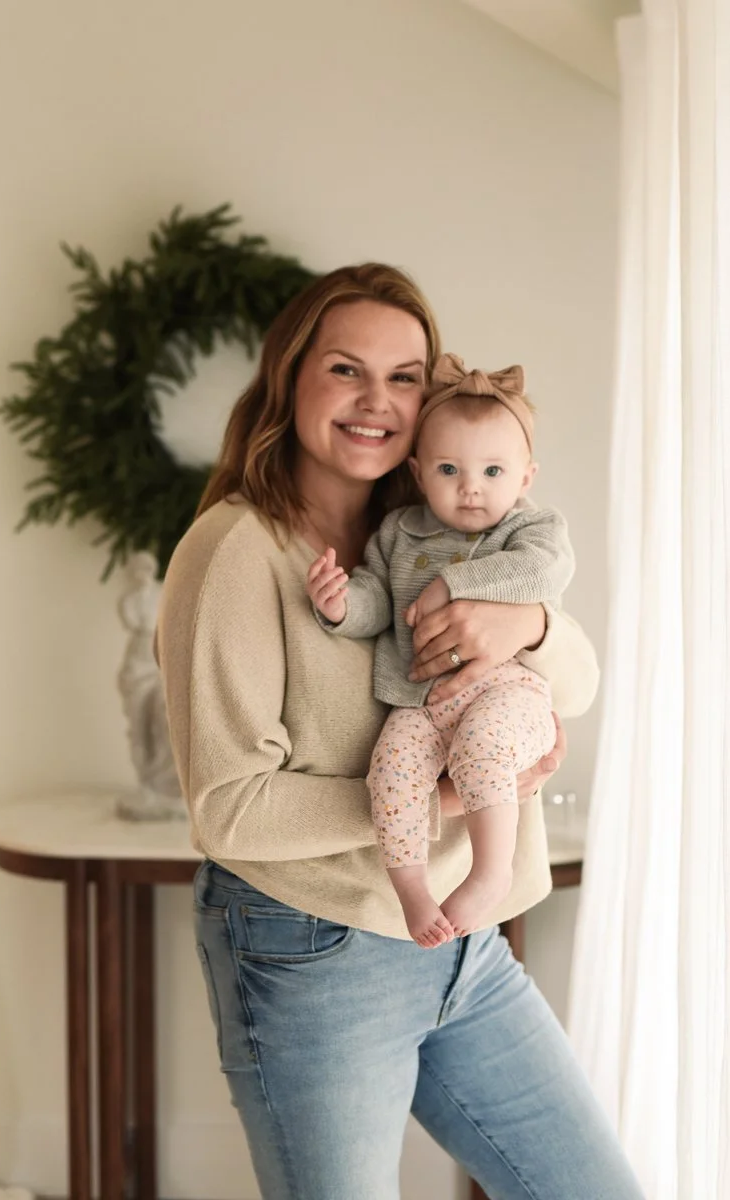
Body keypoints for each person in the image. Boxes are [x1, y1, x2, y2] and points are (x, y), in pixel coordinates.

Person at [157, 264, 644, 1199]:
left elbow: (577, 684)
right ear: (289, 379)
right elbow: (229, 809)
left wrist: (528, 624)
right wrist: (437, 799)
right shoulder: (237, 554)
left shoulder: (438, 527)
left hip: (462, 940)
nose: (377, 401)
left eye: (405, 375)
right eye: (345, 370)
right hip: (315, 948)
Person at [306, 352, 573, 946]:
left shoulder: (529, 529)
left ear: (526, 476)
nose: (472, 488)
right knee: (391, 773)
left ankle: (489, 871)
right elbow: (379, 600)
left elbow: (544, 573)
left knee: (484, 746)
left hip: (508, 693)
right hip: (420, 703)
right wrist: (343, 606)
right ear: (419, 471)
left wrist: (453, 582)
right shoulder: (399, 532)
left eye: (493, 472)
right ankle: (412, 892)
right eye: (449, 469)